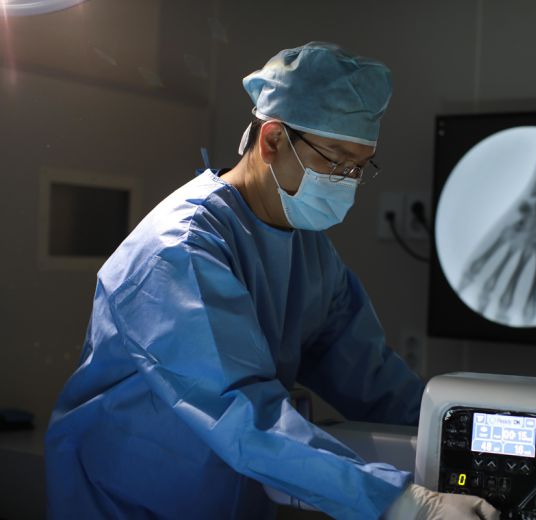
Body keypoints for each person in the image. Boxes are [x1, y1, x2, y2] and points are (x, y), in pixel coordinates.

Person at [45, 42, 499, 520]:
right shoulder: (180, 250)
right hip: (128, 502)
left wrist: (465, 441)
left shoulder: (306, 248)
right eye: (336, 162)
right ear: (273, 141)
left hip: (230, 497)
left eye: (359, 168)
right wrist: (407, 504)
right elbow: (241, 413)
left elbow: (367, 374)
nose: (348, 181)